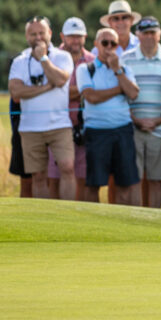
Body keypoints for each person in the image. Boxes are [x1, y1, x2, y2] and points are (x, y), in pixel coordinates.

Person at [7, 16, 75, 201]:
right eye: (33, 34)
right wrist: (46, 87)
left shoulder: (62, 56)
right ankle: (44, 217)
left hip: (60, 125)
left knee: (67, 167)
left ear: (50, 34)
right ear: (26, 36)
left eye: (41, 33)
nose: (37, 37)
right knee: (37, 176)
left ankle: (68, 214)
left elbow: (60, 79)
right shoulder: (20, 61)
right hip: (30, 128)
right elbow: (16, 92)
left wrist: (43, 58)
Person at [76, 28, 140, 204]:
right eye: (105, 43)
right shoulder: (85, 69)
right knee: (94, 184)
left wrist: (117, 71)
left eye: (113, 43)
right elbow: (91, 97)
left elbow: (133, 93)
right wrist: (120, 89)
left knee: (124, 184)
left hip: (122, 130)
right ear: (96, 45)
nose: (109, 47)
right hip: (97, 132)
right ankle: (93, 224)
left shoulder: (124, 69)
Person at [123, 16, 161, 209]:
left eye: (153, 32)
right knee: (134, 178)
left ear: (159, 35)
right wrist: (135, 119)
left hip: (159, 128)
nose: (149, 37)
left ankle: (155, 219)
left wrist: (160, 119)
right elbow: (122, 93)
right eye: (145, 33)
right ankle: (137, 220)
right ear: (138, 35)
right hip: (133, 128)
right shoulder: (126, 58)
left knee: (155, 178)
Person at [54, 17, 93, 199]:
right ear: (62, 36)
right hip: (56, 126)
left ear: (85, 37)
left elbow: (94, 91)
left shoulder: (92, 60)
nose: (75, 40)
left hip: (84, 127)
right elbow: (54, 91)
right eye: (71, 37)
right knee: (54, 177)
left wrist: (65, 90)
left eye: (79, 36)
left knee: (83, 177)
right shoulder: (53, 57)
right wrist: (83, 90)